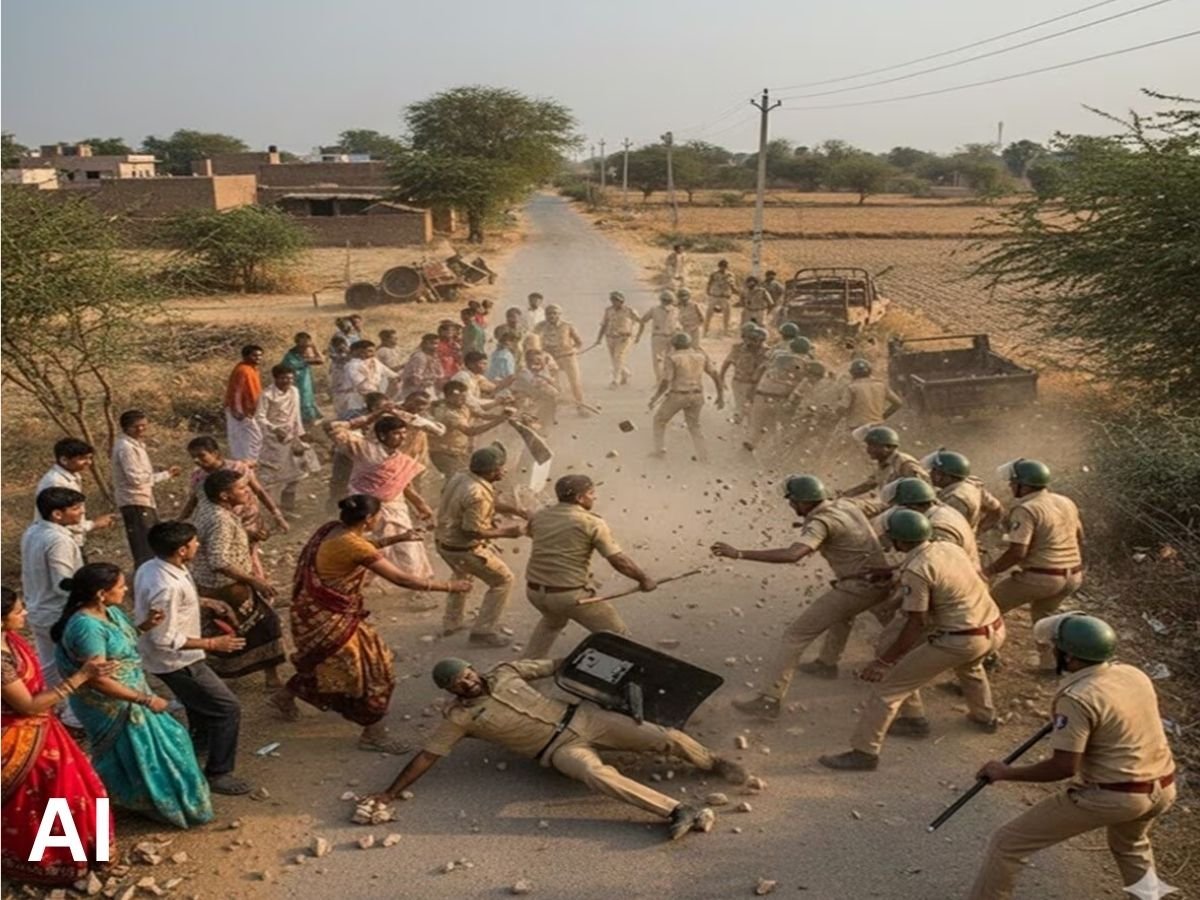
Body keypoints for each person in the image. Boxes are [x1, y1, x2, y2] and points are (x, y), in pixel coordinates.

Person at [370, 657, 747, 841]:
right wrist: (390, 792)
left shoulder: (505, 672)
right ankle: (678, 809)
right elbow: (428, 755)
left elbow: (561, 664)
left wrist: (616, 662)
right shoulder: (459, 718)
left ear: (473, 669)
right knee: (596, 775)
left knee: (661, 736)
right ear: (451, 691)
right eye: (457, 683)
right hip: (557, 750)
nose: (466, 683)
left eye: (466, 674)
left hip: (585, 718)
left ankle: (712, 762)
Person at [968, 614, 1176, 900]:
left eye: (1056, 648)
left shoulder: (1077, 697)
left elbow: (1064, 767)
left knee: (1009, 842)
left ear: (1071, 659)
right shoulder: (1132, 674)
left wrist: (1005, 772)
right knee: (1131, 846)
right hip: (1162, 787)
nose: (1052, 652)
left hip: (1115, 795)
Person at [273, 496, 469, 752]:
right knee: (374, 672)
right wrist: (449, 586)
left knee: (322, 662)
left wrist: (397, 539)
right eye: (379, 515)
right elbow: (402, 579)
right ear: (368, 519)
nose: (380, 519)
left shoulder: (331, 530)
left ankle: (284, 697)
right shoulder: (353, 545)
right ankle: (373, 734)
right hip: (333, 619)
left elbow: (357, 549)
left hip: (313, 615)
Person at [818, 510, 1004, 771]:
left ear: (900, 541)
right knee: (970, 666)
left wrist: (884, 662)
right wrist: (892, 570)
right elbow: (929, 566)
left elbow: (915, 622)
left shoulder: (917, 571)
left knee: (888, 690)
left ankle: (864, 752)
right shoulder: (946, 547)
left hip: (961, 638)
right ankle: (984, 717)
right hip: (992, 629)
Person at [711, 475, 892, 716]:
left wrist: (739, 554)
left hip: (858, 587)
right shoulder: (846, 505)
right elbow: (881, 505)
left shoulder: (821, 522)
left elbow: (793, 554)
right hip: (883, 582)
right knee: (853, 620)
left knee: (794, 637)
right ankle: (827, 664)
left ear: (804, 501)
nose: (790, 506)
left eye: (792, 501)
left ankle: (769, 700)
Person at [53, 564, 214, 827]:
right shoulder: (87, 628)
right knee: (138, 751)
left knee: (168, 743)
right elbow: (98, 679)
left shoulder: (111, 612)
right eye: (120, 586)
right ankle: (134, 804)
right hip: (112, 703)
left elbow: (120, 642)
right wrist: (146, 700)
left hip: (132, 691)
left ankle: (134, 800)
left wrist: (146, 626)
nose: (125, 589)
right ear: (101, 594)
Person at [2, 586, 115, 885]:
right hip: (18, 739)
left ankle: (94, 851)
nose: (25, 613)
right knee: (49, 799)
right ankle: (56, 864)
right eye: (17, 611)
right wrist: (82, 676)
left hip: (43, 728)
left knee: (84, 789)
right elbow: (26, 705)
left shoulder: (10, 642)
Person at [134, 522, 252, 795]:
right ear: (181, 550)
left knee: (198, 703)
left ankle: (198, 746)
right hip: (176, 660)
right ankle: (219, 773)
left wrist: (205, 602)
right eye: (195, 542)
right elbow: (163, 638)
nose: (198, 546)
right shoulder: (167, 586)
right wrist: (213, 643)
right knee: (227, 708)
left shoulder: (152, 567)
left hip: (173, 656)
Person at [522, 475, 656, 658]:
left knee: (552, 623)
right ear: (579, 498)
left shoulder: (540, 516)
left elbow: (534, 534)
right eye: (591, 493)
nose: (594, 497)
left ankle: (522, 670)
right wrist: (644, 579)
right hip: (569, 596)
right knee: (617, 638)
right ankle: (605, 678)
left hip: (535, 592)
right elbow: (619, 561)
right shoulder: (591, 522)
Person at [190, 470, 288, 688]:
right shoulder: (221, 519)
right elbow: (219, 560)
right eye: (241, 489)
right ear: (225, 496)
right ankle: (271, 678)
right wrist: (254, 580)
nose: (247, 492)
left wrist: (248, 535)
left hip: (209, 584)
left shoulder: (210, 508)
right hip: (227, 587)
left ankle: (214, 677)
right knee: (266, 625)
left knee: (226, 629)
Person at [984, 459, 1084, 671]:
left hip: (1042, 576)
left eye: (1013, 483)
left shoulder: (1026, 509)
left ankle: (986, 659)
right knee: (1044, 622)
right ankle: (1051, 665)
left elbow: (1017, 551)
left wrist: (989, 571)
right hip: (1072, 574)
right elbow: (1080, 536)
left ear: (1024, 485)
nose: (1010, 486)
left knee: (988, 607)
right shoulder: (1065, 501)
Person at [326, 411, 435, 585]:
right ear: (382, 435)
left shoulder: (401, 458)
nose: (402, 438)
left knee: (409, 549)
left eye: (404, 433)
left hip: (395, 509)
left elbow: (404, 484)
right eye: (396, 433)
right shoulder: (363, 448)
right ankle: (364, 588)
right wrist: (370, 417)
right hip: (364, 509)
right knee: (367, 550)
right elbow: (332, 427)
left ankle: (415, 586)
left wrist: (421, 505)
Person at [436, 447, 529, 647]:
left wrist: (516, 510)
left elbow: (488, 503)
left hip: (443, 541)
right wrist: (508, 532)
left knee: (461, 575)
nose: (504, 471)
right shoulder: (477, 494)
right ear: (491, 471)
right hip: (463, 547)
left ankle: (452, 622)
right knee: (503, 580)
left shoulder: (462, 476)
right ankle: (483, 632)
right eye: (501, 468)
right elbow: (472, 531)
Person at [22, 488, 88, 728]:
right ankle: (72, 717)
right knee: (69, 663)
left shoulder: (33, 531)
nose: (81, 512)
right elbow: (63, 583)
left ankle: (54, 708)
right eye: (76, 508)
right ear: (57, 514)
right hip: (57, 611)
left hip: (38, 607)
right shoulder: (58, 539)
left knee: (49, 663)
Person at [179, 435, 288, 578]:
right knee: (232, 558)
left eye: (201, 455)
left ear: (215, 453)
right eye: (193, 457)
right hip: (223, 523)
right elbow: (192, 501)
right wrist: (179, 521)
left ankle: (260, 591)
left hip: (247, 520)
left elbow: (259, 491)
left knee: (250, 556)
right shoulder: (198, 477)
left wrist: (277, 515)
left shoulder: (238, 468)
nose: (197, 460)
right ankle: (251, 588)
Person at [112, 410, 181, 568]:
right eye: (136, 427)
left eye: (143, 426)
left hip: (142, 498)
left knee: (150, 541)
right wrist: (165, 475)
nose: (141, 430)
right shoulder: (126, 448)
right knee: (144, 546)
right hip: (134, 499)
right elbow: (135, 479)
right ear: (126, 428)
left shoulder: (135, 445)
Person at [649, 333, 724, 462]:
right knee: (694, 426)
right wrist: (720, 395)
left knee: (659, 420)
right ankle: (703, 455)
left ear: (674, 345)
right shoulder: (701, 356)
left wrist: (655, 398)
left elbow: (666, 380)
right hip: (697, 395)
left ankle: (659, 450)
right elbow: (715, 374)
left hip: (678, 395)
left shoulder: (673, 357)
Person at [31, 438, 116, 550]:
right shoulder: (56, 482)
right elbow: (62, 517)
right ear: (64, 460)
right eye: (82, 459)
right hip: (61, 540)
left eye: (89, 458)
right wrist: (93, 524)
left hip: (70, 538)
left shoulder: (73, 476)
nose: (88, 462)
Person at [254, 364, 311, 514]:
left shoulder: (294, 391)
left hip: (292, 437)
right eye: (284, 378)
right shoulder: (267, 395)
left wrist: (301, 433)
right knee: (271, 476)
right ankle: (268, 511)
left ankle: (288, 508)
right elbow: (259, 417)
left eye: (291, 378)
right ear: (276, 378)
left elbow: (296, 414)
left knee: (297, 472)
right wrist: (275, 428)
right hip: (274, 440)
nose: (288, 381)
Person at [427, 381, 512, 480]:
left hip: (459, 451)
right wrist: (498, 421)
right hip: (442, 452)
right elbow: (470, 431)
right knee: (455, 478)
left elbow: (482, 414)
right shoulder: (445, 412)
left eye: (465, 397)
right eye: (461, 398)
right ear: (449, 396)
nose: (464, 400)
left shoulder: (462, 405)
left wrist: (504, 416)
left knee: (466, 477)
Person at [743, 339, 812, 452]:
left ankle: (750, 444)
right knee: (777, 426)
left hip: (762, 392)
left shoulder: (777, 356)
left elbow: (759, 372)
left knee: (756, 423)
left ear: (791, 347)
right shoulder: (807, 363)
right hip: (782, 398)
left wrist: (752, 388)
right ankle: (771, 451)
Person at [923, 449, 1005, 533]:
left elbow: (943, 528)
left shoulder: (955, 500)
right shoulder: (972, 485)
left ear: (948, 477)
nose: (931, 474)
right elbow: (997, 509)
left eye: (935, 472)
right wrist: (976, 532)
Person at [841, 426, 929, 498]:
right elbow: (868, 485)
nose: (868, 450)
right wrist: (844, 495)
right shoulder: (883, 464)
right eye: (868, 446)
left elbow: (923, 490)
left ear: (888, 447)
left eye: (873, 446)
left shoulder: (905, 464)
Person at [535, 304, 587, 412]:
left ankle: (580, 406)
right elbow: (533, 341)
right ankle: (553, 409)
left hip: (567, 357)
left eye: (554, 313)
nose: (552, 316)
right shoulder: (540, 327)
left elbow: (579, 343)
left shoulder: (567, 326)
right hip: (549, 359)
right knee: (552, 383)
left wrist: (574, 351)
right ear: (545, 315)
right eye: (549, 314)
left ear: (559, 315)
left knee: (575, 382)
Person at [719, 325, 769, 425]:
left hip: (755, 384)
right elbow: (727, 363)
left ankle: (745, 428)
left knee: (750, 408)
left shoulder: (767, 352)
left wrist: (721, 377)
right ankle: (739, 427)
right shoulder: (738, 349)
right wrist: (721, 378)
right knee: (741, 407)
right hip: (741, 382)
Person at [223, 345, 265, 461]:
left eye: (260, 355)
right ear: (245, 356)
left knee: (243, 437)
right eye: (255, 355)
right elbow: (236, 391)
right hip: (239, 410)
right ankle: (247, 463)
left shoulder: (252, 369)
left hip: (247, 409)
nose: (258, 358)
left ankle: (244, 462)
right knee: (252, 436)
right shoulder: (243, 370)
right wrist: (237, 411)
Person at [593, 290, 641, 388]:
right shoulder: (608, 310)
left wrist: (635, 335)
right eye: (613, 300)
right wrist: (599, 339)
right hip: (610, 337)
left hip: (624, 338)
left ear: (622, 301)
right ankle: (625, 373)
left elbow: (641, 322)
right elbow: (604, 325)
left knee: (618, 357)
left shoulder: (630, 310)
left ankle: (615, 380)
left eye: (617, 300)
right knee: (615, 359)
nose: (614, 302)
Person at [839, 359, 902, 429]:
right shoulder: (881, 385)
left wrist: (834, 416)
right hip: (878, 426)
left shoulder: (852, 388)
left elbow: (842, 408)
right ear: (870, 371)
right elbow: (898, 403)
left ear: (852, 373)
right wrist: (883, 416)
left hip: (857, 428)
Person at [280, 332, 325, 425]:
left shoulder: (304, 352)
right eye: (303, 344)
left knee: (306, 398)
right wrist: (308, 358)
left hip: (304, 382)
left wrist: (314, 347)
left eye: (307, 344)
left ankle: (307, 421)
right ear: (297, 343)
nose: (305, 347)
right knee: (297, 401)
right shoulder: (291, 356)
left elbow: (321, 360)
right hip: (292, 382)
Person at [637, 291, 682, 383]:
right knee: (658, 360)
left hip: (672, 337)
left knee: (670, 359)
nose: (666, 303)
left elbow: (680, 324)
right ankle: (660, 380)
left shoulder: (676, 310)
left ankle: (668, 379)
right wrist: (638, 335)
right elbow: (643, 320)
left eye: (668, 301)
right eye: (665, 300)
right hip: (658, 336)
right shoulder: (654, 310)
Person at [512, 350, 562, 429]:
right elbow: (535, 384)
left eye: (540, 360)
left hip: (536, 395)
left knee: (551, 400)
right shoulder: (524, 372)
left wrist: (548, 381)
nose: (537, 363)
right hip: (522, 395)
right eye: (533, 361)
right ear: (528, 362)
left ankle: (543, 423)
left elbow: (552, 385)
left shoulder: (543, 370)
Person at [399, 333, 445, 400]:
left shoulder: (433, 356)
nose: (436, 346)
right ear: (424, 344)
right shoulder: (420, 357)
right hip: (415, 392)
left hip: (428, 389)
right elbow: (414, 380)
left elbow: (440, 373)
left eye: (437, 344)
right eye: (432, 343)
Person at [705, 259, 738, 336]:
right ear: (719, 266)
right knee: (709, 314)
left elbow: (732, 286)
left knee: (727, 314)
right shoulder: (714, 274)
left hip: (725, 297)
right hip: (715, 295)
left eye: (725, 266)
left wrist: (737, 293)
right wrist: (708, 293)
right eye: (722, 266)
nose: (723, 268)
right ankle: (705, 330)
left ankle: (725, 331)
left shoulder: (730, 275)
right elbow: (709, 284)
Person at [328, 334, 355, 416]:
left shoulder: (349, 353)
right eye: (337, 345)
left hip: (347, 378)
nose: (340, 347)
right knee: (339, 397)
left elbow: (350, 359)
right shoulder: (334, 355)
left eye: (342, 344)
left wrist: (347, 351)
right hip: (338, 377)